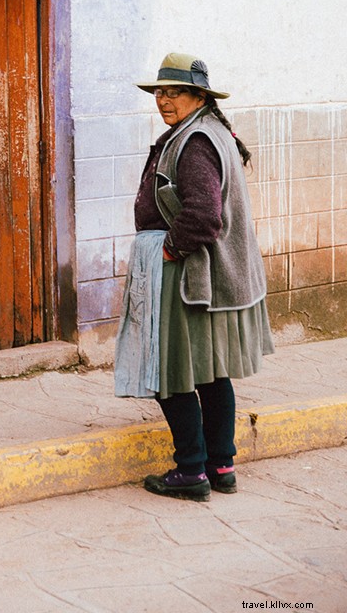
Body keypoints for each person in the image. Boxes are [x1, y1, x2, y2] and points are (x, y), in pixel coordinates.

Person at [115, 52, 274, 501]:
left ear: (199, 97)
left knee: (171, 373)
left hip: (189, 276)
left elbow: (204, 215)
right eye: (160, 92)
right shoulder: (207, 131)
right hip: (210, 278)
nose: (164, 100)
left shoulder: (195, 142)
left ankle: (190, 471)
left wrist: (169, 250)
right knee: (210, 372)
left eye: (176, 92)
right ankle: (221, 465)